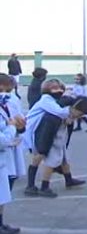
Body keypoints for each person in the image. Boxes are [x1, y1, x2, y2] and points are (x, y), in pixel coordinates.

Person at [32, 96, 87, 198]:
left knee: (64, 159)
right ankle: (44, 186)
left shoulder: (67, 112)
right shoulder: (58, 113)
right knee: (52, 161)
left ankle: (68, 179)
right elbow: (48, 131)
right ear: (74, 108)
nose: (79, 116)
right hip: (53, 140)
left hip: (60, 138)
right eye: (79, 114)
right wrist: (43, 149)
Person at [0, 74, 25, 234]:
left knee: (3, 191)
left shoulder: (7, 103)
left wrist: (18, 127)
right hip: (4, 149)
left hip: (6, 155)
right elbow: (3, 138)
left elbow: (16, 122)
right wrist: (11, 127)